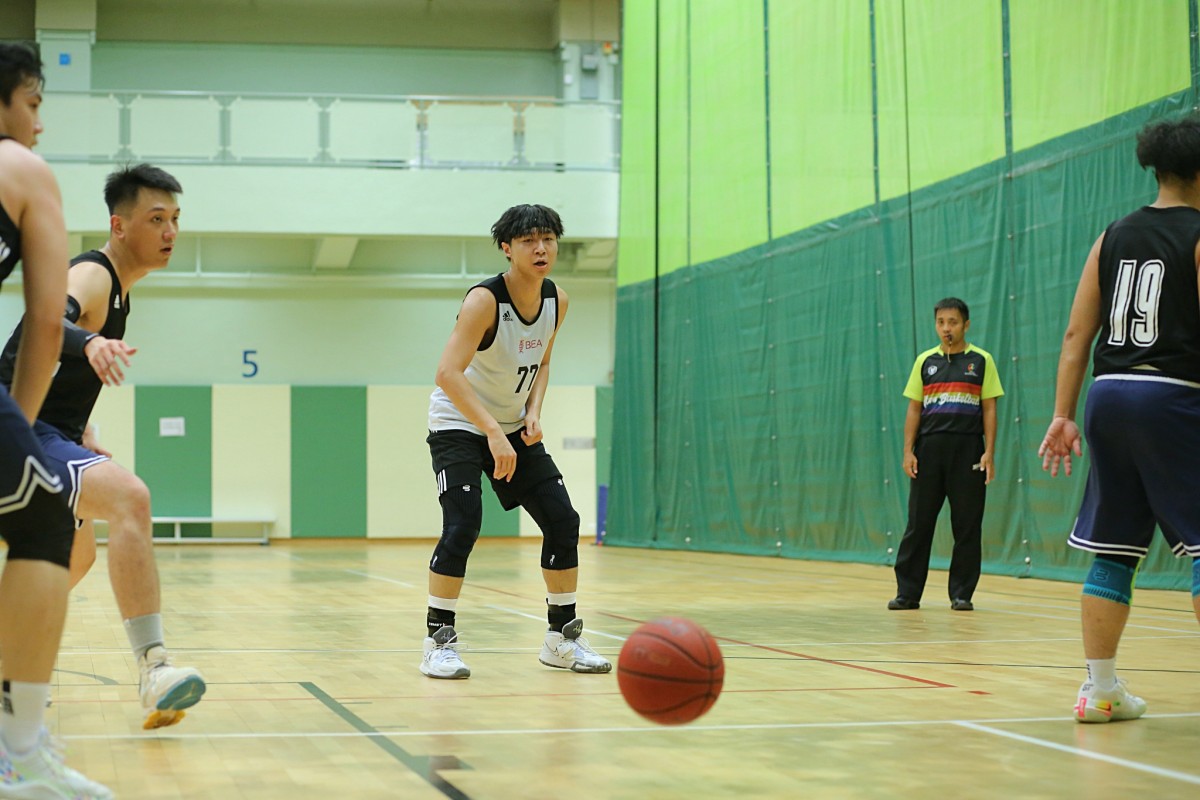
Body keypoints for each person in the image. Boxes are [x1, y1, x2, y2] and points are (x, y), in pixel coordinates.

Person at [0, 163, 206, 730]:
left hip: (48, 431)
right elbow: (48, 319)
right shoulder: (93, 274)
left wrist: (83, 430)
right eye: (156, 219)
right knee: (129, 498)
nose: (170, 231)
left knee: (78, 556)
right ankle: (154, 667)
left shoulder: (120, 293)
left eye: (175, 219)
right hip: (19, 429)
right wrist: (90, 342)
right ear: (119, 225)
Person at [1039, 115, 1200, 724]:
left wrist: (1062, 415)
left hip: (1107, 398)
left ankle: (1099, 689)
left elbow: (1077, 333)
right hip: (1173, 397)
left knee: (1114, 549)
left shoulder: (1111, 236)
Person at [419, 203, 611, 679]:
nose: (541, 248)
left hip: (511, 426)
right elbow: (447, 373)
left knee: (563, 520)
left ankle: (561, 639)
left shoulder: (557, 301)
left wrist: (534, 412)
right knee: (463, 523)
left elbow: (542, 362)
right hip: (459, 423)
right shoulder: (485, 301)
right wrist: (491, 431)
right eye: (528, 241)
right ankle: (438, 642)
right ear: (507, 248)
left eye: (548, 239)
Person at [0, 41, 113, 799]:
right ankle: (17, 755)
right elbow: (47, 325)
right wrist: (20, 428)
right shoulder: (23, 170)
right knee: (46, 521)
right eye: (34, 103)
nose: (39, 124)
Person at [889, 298, 1004, 612]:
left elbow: (989, 409)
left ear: (966, 325)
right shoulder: (925, 362)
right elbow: (914, 409)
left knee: (967, 525)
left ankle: (962, 594)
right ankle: (907, 593)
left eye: (952, 322)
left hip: (968, 451)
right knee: (918, 523)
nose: (946, 328)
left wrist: (989, 452)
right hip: (929, 452)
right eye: (941, 322)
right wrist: (908, 451)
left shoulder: (982, 361)